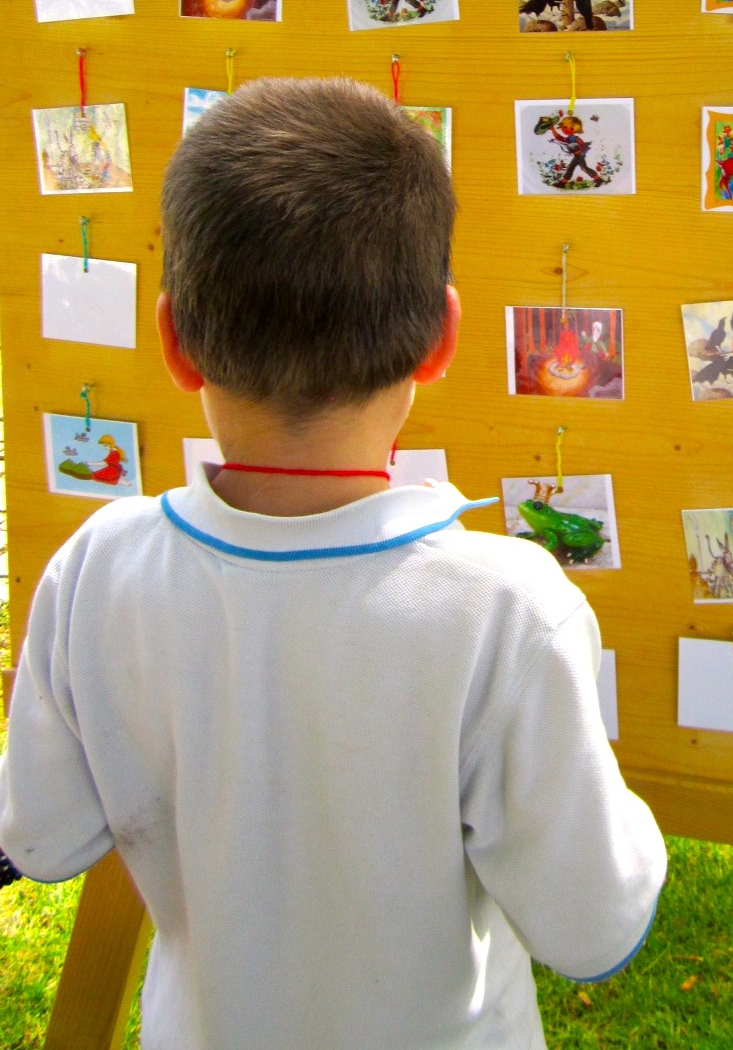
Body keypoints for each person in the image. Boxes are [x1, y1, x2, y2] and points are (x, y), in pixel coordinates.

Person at [0, 78, 666, 1050]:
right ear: (442, 337)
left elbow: (43, 835)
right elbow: (594, 927)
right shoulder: (509, 613)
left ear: (174, 341)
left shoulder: (96, 567)